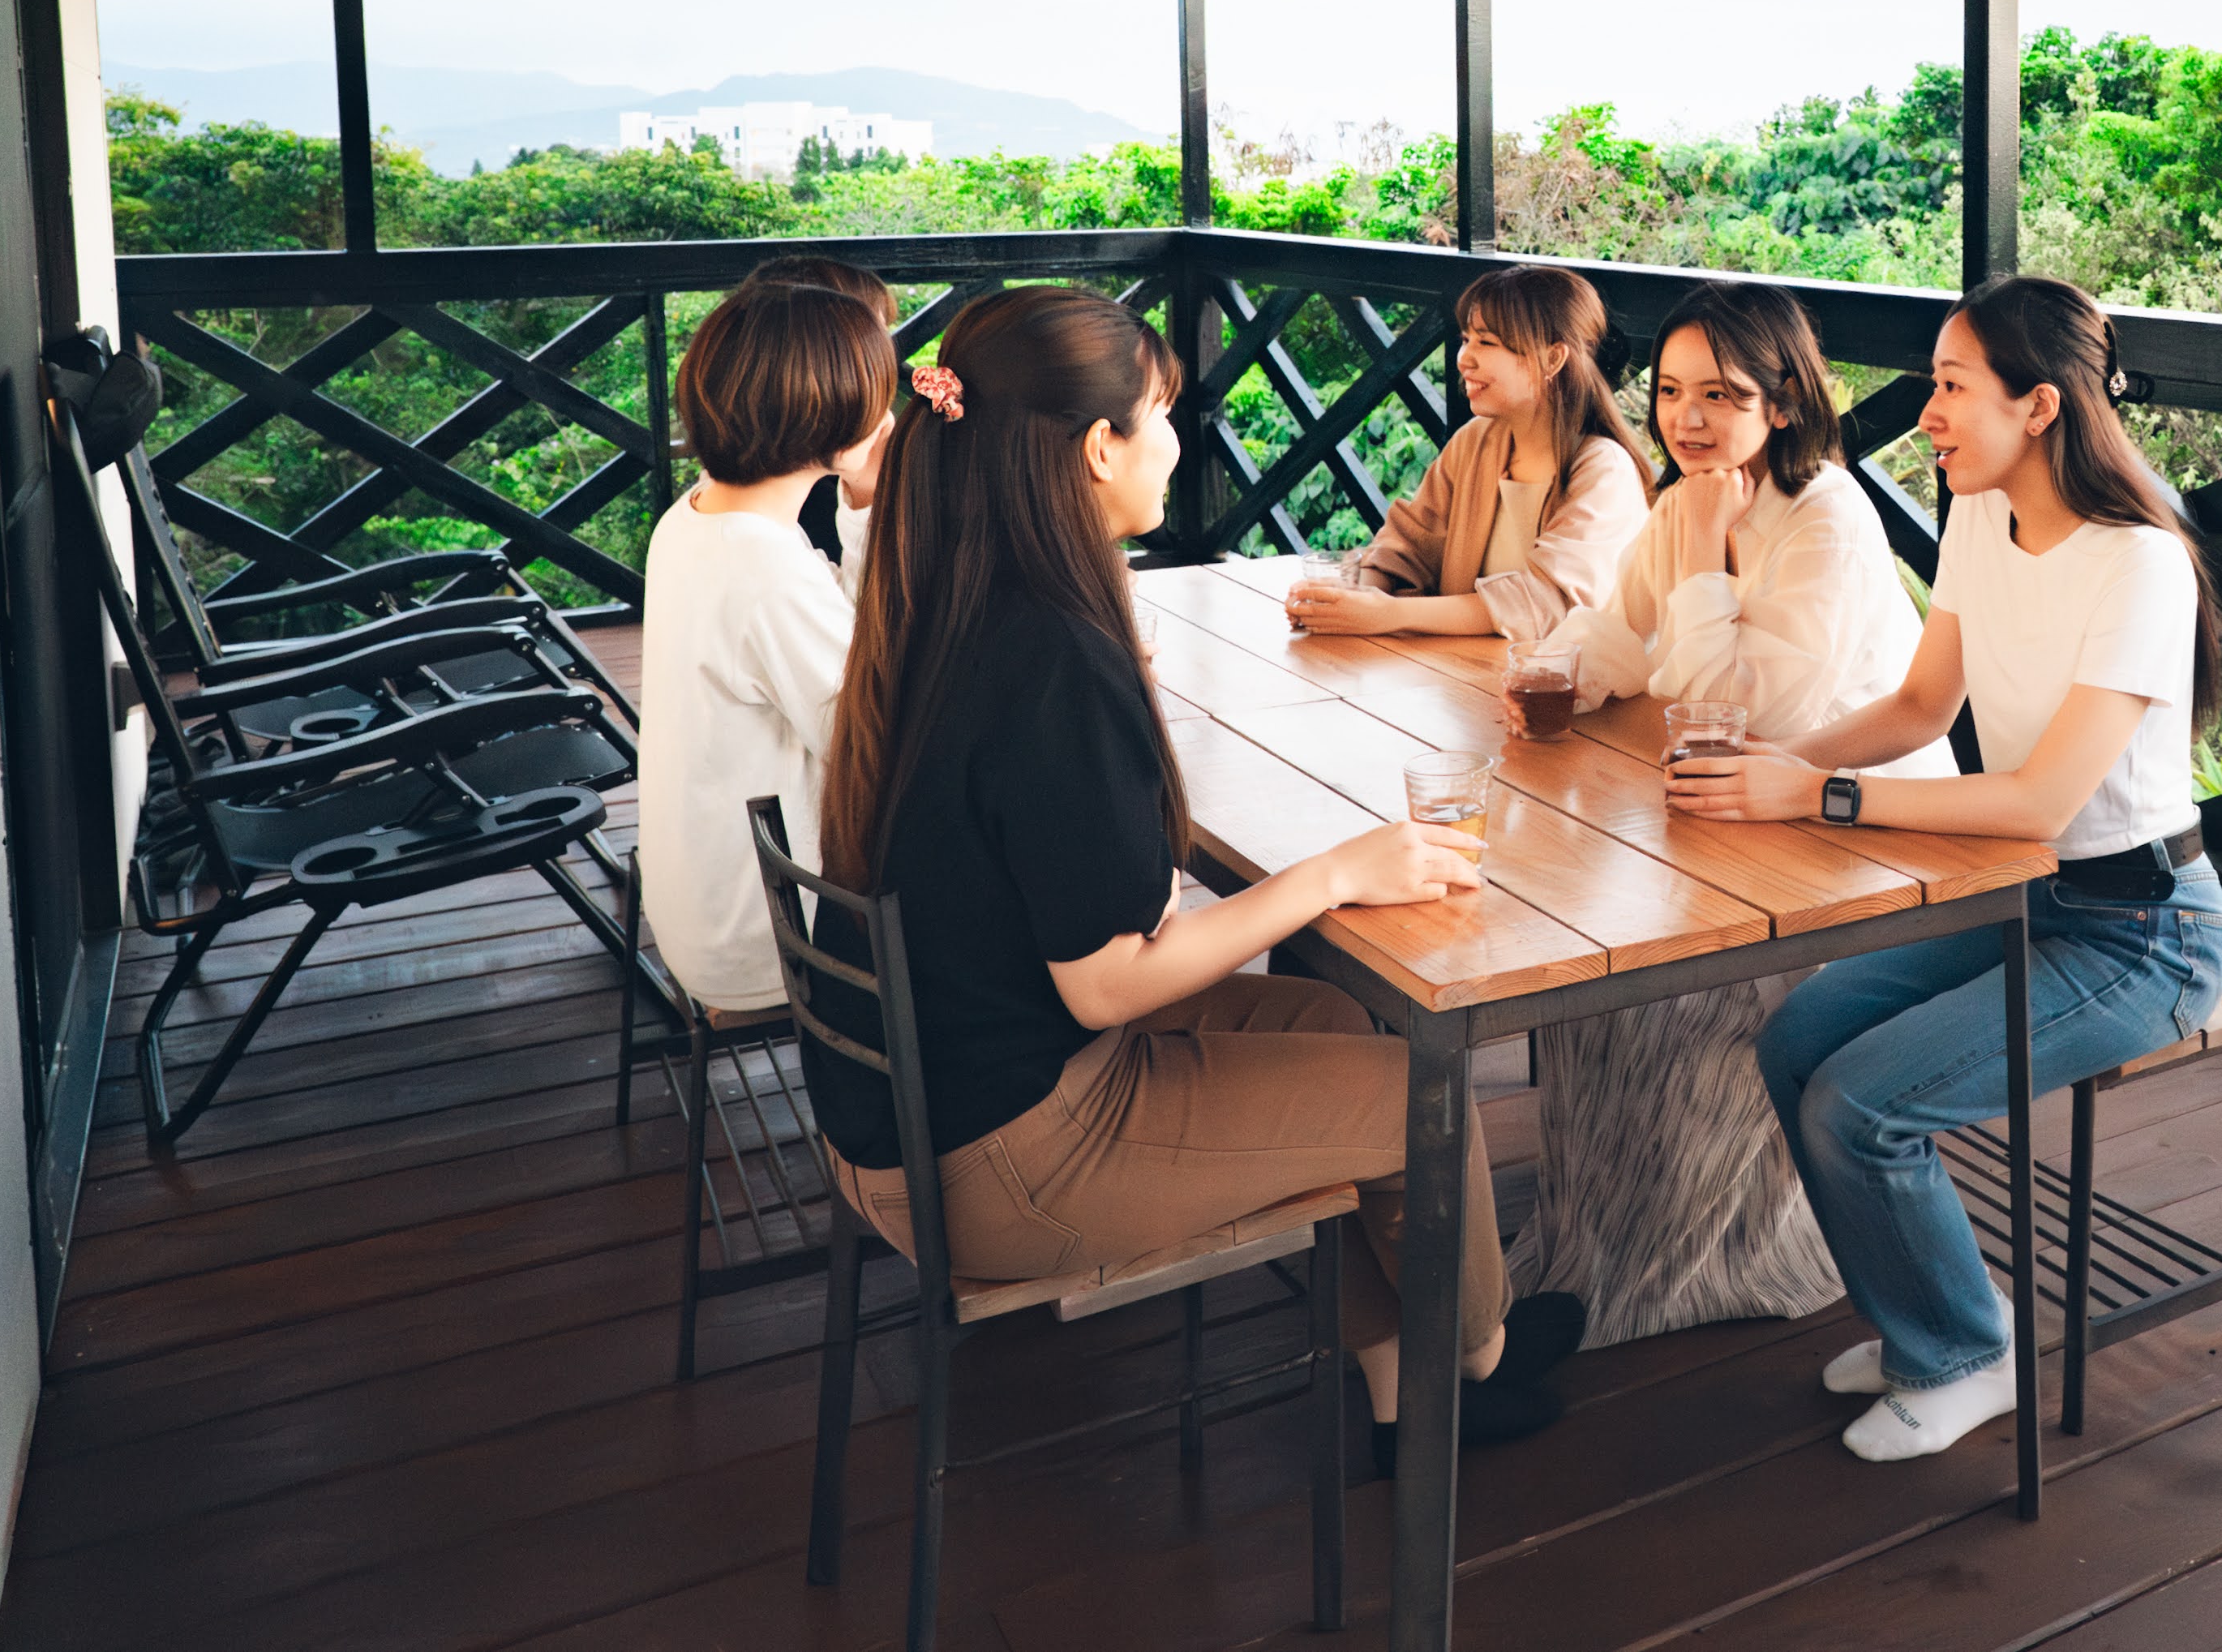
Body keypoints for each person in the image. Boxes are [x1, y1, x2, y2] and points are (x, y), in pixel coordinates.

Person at [796, 285, 1578, 1472]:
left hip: (913, 1109)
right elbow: (1109, 984)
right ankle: (1473, 1357)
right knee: (1419, 1102)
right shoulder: (1051, 652)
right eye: (1161, 412)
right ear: (1097, 444)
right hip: (999, 1159)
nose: (1176, 438)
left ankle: (1394, 1392)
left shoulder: (947, 600)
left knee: (1329, 1016)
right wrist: (1333, 874)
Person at [1674, 275, 2222, 1463]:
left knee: (1859, 1102)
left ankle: (1969, 1351)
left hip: (2143, 931)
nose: (1924, 410)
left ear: (2038, 407)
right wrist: (1765, 764)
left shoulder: (2136, 563)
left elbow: (2041, 798)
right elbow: (1924, 702)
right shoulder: (1980, 511)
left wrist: (1812, 794)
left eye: (1948, 385)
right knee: (1796, 1037)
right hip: (2030, 893)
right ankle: (1916, 1311)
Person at [1506, 284, 1950, 1346]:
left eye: (1721, 393)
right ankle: (1597, 1242)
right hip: (1731, 817)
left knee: (1679, 1000)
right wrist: (1546, 675)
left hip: (1860, 833)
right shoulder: (1684, 505)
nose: (1686, 416)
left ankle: (1719, 1260)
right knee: (1593, 978)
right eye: (1668, 390)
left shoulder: (1827, 520)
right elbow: (1616, 638)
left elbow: (1756, 710)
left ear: (1784, 402)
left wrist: (1703, 547)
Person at [634, 278, 895, 1016]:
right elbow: (877, 740)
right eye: (879, 386)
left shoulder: (694, 516)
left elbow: (845, 646)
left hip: (702, 902)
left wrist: (865, 504)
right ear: (832, 414)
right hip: (771, 931)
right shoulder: (763, 565)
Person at [1285, 264, 1649, 641]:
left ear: (1554, 359)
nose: (1464, 359)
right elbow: (1407, 543)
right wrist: (1357, 596)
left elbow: (1544, 602)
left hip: (1564, 692)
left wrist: (1390, 614)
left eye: (1486, 343)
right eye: (1466, 340)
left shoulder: (1605, 469)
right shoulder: (1476, 442)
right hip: (1463, 679)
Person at [738, 251, 898, 565]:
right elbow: (867, 611)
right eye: (873, 342)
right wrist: (868, 493)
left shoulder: (730, 492)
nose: (886, 361)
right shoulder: (806, 499)